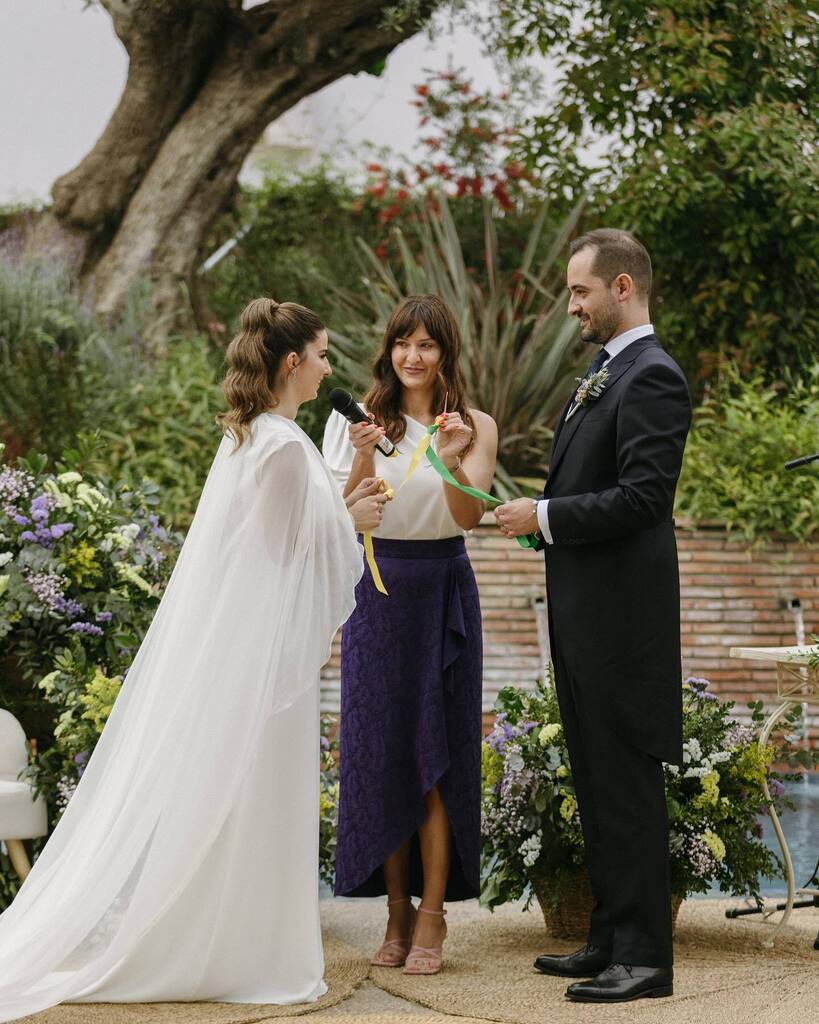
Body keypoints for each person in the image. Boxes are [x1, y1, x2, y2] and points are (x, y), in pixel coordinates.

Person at [0, 298, 388, 1021]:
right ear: (292, 362)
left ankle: (227, 939)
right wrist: (351, 518)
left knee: (240, 798)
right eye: (325, 354)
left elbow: (281, 534)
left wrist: (341, 504)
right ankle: (245, 954)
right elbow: (275, 555)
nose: (333, 366)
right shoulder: (276, 444)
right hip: (261, 660)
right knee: (254, 796)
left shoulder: (261, 437)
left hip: (252, 647)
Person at [495, 230, 692, 1004]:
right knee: (597, 782)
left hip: (621, 625)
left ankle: (645, 960)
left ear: (620, 287)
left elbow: (646, 498)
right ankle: (609, 937)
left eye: (578, 292)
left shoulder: (651, 376)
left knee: (626, 789)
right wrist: (539, 516)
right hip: (585, 617)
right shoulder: (606, 371)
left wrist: (542, 516)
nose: (569, 306)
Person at [323, 294, 497, 976]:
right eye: (402, 343)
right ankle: (393, 912)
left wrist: (451, 457)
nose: (412, 356)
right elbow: (344, 516)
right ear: (388, 350)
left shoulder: (473, 424)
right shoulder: (356, 424)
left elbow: (468, 516)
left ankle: (432, 914)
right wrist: (366, 458)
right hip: (375, 593)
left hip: (443, 593)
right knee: (383, 755)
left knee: (437, 760)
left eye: (426, 344)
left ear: (444, 352)